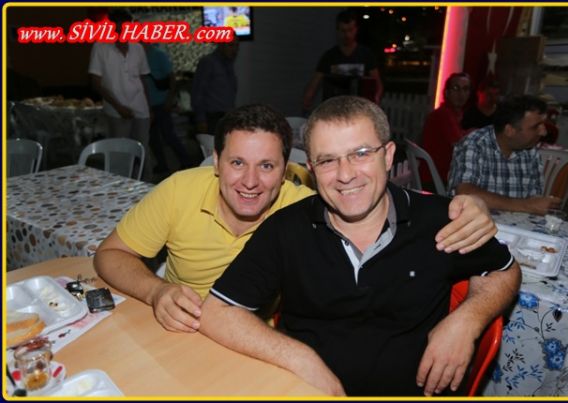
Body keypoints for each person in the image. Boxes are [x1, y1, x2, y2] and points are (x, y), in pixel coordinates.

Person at [198, 96, 521, 396]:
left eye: (361, 153)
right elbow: (218, 311)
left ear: (388, 156)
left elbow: (504, 271)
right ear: (311, 169)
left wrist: (467, 320)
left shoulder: (440, 221)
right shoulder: (286, 229)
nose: (345, 174)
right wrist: (300, 359)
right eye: (327, 160)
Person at [94, 103, 499, 335]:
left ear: (289, 169)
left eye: (267, 166)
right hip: (176, 333)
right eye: (237, 163)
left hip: (255, 340)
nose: (250, 182)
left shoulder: (307, 209)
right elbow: (110, 255)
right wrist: (157, 292)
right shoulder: (179, 190)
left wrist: (467, 206)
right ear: (216, 162)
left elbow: (379, 204)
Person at [447, 95, 561, 215]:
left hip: (517, 223)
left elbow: (534, 199)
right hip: (474, 222)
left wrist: (539, 205)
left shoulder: (530, 150)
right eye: (535, 127)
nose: (544, 132)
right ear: (509, 131)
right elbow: (465, 193)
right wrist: (526, 206)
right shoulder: (475, 144)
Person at [88, 9, 152, 179]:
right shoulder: (100, 48)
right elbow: (96, 83)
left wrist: (149, 108)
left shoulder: (137, 48)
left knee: (143, 151)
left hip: (140, 107)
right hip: (116, 110)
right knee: (120, 153)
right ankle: (119, 187)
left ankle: (146, 187)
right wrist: (118, 107)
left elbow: (143, 79)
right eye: (118, 28)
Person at [302, 10, 383, 111]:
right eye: (343, 31)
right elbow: (314, 83)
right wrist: (307, 98)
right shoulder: (329, 56)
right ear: (337, 31)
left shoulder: (366, 55)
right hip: (334, 109)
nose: (347, 35)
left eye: (350, 30)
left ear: (356, 30)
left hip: (359, 110)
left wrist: (375, 100)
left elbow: (377, 84)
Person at [142, 43, 193, 174]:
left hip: (161, 102)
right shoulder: (139, 55)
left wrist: (169, 99)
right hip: (148, 104)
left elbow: (171, 78)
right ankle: (162, 165)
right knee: (153, 138)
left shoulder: (158, 55)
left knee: (169, 135)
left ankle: (187, 162)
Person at [421, 72, 470, 185]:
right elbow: (460, 145)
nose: (461, 94)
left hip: (438, 178)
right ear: (447, 92)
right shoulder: (443, 114)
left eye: (465, 89)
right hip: (437, 181)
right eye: (456, 88)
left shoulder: (452, 114)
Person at [191, 36, 239, 138]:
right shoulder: (208, 62)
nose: (234, 49)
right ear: (221, 45)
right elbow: (198, 92)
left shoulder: (229, 65)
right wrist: (200, 119)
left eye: (236, 46)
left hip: (226, 117)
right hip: (211, 118)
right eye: (230, 45)